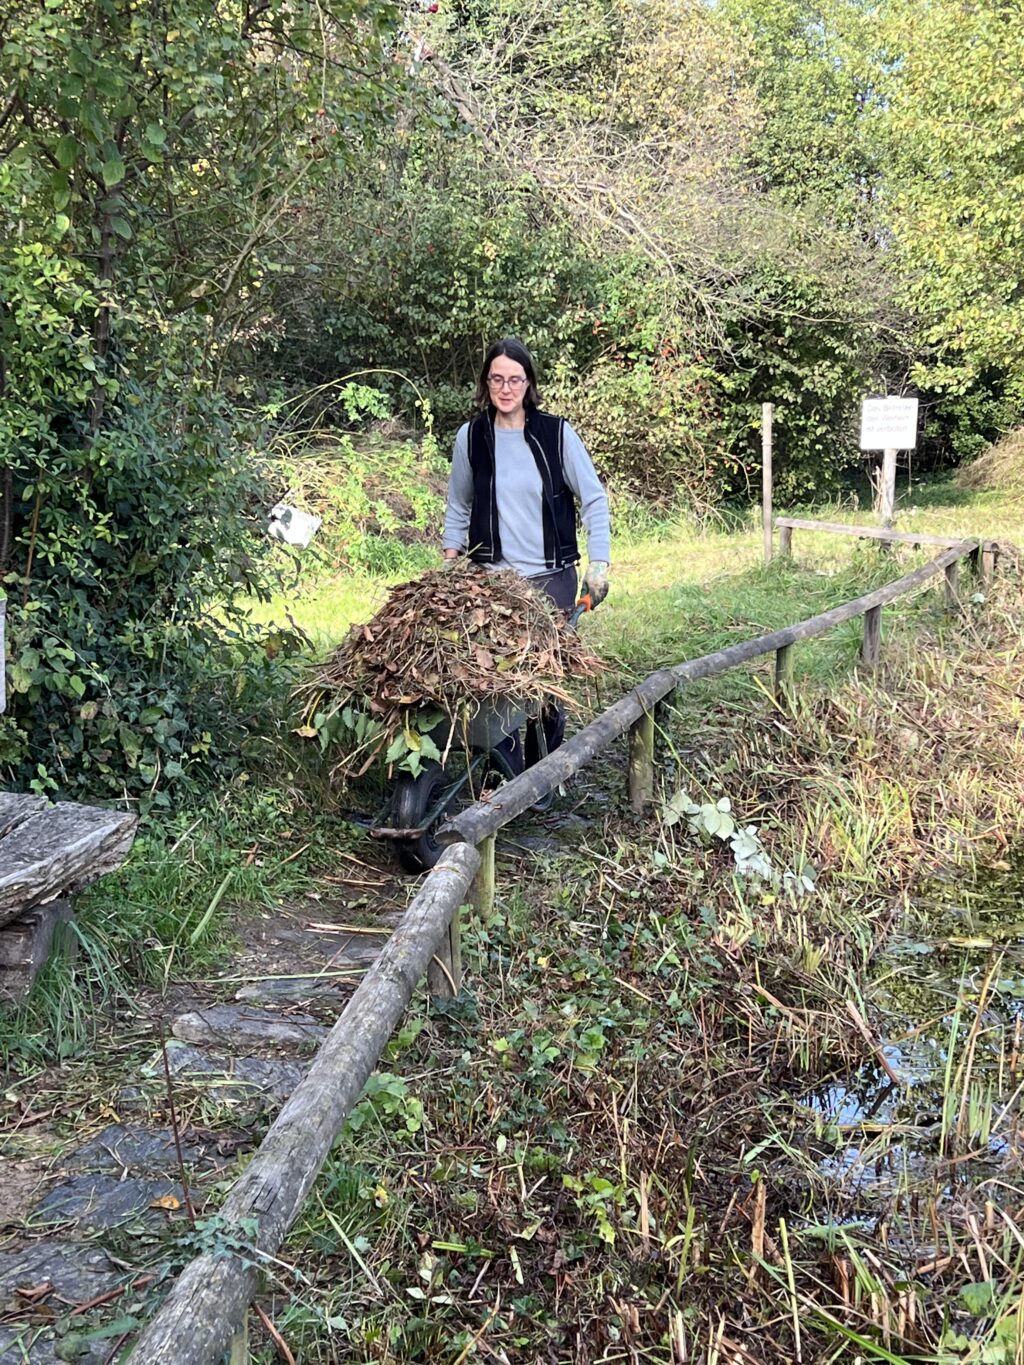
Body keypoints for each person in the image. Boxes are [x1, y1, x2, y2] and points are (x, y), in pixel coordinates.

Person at [442, 336, 611, 768]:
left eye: (514, 379)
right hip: (491, 581)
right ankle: (508, 766)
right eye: (496, 378)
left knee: (546, 678)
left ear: (528, 382)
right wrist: (449, 559)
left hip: (550, 578)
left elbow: (593, 498)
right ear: (485, 383)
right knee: (495, 677)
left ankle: (548, 766)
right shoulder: (472, 437)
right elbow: (460, 503)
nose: (505, 388)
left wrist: (600, 562)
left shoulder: (556, 434)